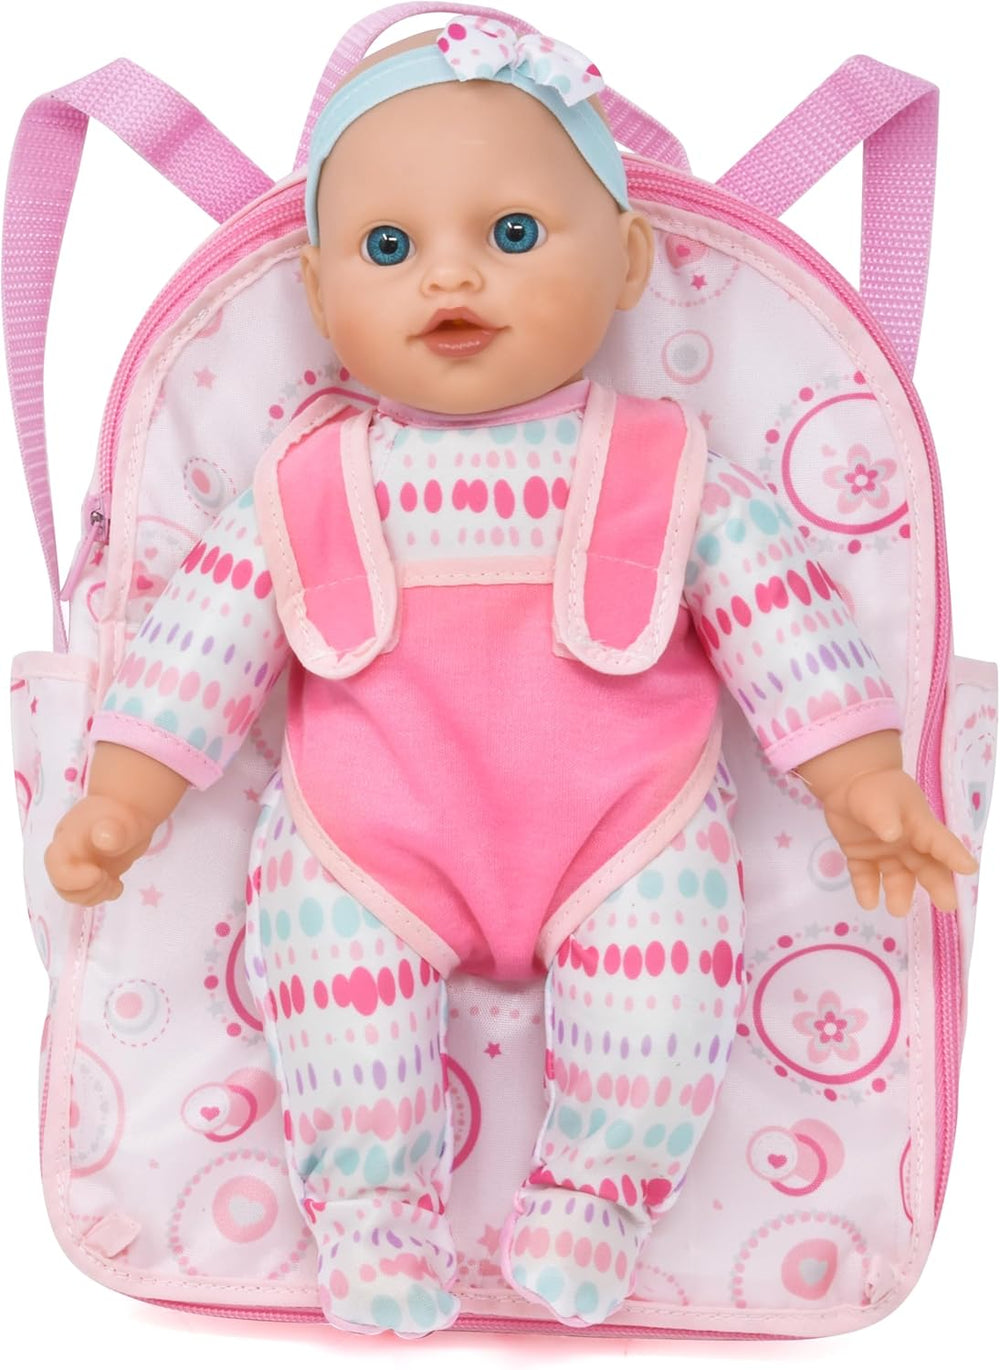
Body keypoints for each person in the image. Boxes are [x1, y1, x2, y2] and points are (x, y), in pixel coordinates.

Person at [42, 15, 976, 1340]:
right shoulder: (304, 482)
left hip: (630, 837)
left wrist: (863, 775)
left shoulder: (674, 470)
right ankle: (370, 1218)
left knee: (663, 997)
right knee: (335, 1004)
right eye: (387, 249)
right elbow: (199, 643)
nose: (450, 275)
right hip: (363, 846)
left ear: (631, 260)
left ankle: (594, 1201)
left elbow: (782, 618)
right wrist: (122, 798)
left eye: (515, 234)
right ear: (316, 293)